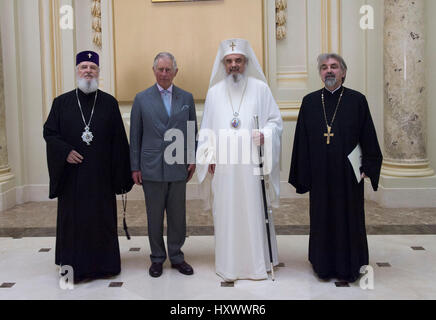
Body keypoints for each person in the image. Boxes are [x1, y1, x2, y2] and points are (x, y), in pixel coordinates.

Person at [289, 53, 383, 282]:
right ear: (320, 73)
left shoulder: (357, 100)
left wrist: (368, 166)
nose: (328, 71)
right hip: (320, 174)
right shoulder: (310, 101)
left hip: (348, 174)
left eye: (334, 67)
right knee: (321, 217)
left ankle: (350, 266)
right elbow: (301, 140)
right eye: (324, 67)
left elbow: (368, 135)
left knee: (348, 218)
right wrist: (303, 173)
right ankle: (323, 265)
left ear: (343, 72)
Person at [196, 39, 283, 282]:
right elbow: (207, 130)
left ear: (246, 62)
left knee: (254, 210)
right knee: (227, 212)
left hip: (251, 165)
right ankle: (229, 263)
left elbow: (275, 122)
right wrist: (208, 155)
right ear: (223, 64)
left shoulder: (260, 89)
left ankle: (257, 263)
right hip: (224, 167)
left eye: (238, 61)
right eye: (229, 61)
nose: (234, 65)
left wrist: (265, 134)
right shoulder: (214, 93)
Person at [43, 51, 133, 284]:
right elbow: (50, 133)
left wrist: (121, 177)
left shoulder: (109, 103)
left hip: (101, 178)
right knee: (74, 222)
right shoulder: (61, 103)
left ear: (98, 72)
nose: (88, 71)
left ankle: (104, 265)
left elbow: (120, 142)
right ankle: (74, 266)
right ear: (77, 71)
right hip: (73, 179)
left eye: (92, 68)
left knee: (101, 220)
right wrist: (64, 152)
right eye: (83, 67)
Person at [130, 52, 197, 278]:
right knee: (154, 216)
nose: (164, 74)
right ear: (154, 71)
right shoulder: (141, 98)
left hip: (178, 164)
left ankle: (177, 257)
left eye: (169, 70)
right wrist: (135, 166)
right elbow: (135, 135)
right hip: (151, 166)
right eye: (160, 69)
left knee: (178, 215)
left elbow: (191, 130)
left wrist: (192, 157)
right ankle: (157, 258)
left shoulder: (186, 98)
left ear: (176, 72)